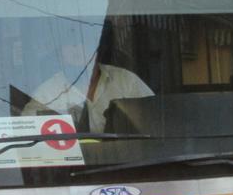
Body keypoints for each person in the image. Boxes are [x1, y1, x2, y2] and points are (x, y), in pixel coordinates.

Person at [23, 30, 153, 132]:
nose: (78, 48)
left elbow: (155, 119)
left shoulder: (126, 81)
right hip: (72, 163)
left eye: (84, 41)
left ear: (97, 47)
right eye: (70, 43)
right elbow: (26, 132)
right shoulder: (47, 93)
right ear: (60, 52)